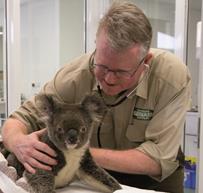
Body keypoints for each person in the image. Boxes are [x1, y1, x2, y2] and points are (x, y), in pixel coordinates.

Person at [1, 1, 191, 193]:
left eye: (120, 72)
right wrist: (18, 142)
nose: (108, 78)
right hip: (94, 171)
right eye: (102, 66)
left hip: (153, 179)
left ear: (145, 61)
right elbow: (20, 119)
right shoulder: (73, 76)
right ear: (96, 49)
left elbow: (159, 158)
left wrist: (75, 153)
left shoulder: (170, 78)